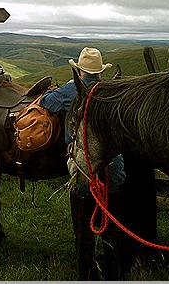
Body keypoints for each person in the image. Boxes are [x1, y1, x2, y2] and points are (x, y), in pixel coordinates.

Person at [40, 47, 126, 280]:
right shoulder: (111, 90)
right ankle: (114, 274)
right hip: (113, 170)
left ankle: (86, 275)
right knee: (112, 227)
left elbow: (47, 101)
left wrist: (66, 86)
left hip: (84, 169)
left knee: (84, 228)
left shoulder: (72, 90)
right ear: (100, 71)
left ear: (80, 71)